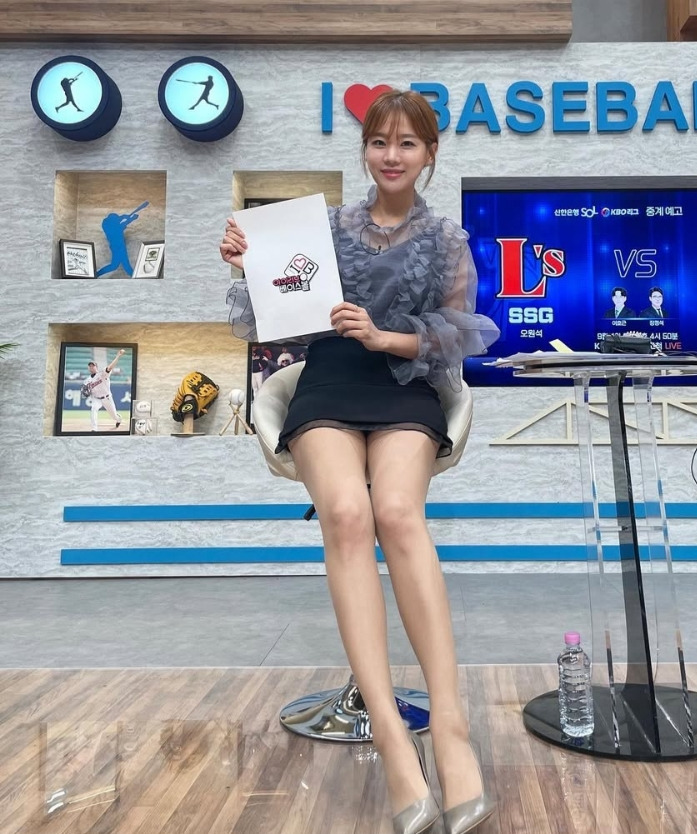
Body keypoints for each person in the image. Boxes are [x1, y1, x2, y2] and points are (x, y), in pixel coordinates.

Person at [220, 89, 500, 834]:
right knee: (346, 514)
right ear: (365, 150)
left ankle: (450, 728)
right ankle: (390, 733)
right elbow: (265, 320)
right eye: (380, 142)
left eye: (407, 143)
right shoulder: (321, 229)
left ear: (430, 153)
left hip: (405, 381)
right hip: (330, 380)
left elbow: (460, 334)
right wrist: (249, 267)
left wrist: (385, 337)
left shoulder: (446, 238)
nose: (391, 155)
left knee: (398, 512)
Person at [84, 350, 124, 431]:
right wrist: (86, 392)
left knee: (114, 416)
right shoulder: (87, 380)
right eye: (90, 366)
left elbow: (110, 367)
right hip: (96, 399)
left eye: (93, 366)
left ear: (96, 367)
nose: (91, 367)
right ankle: (94, 429)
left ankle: (118, 419)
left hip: (107, 398)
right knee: (94, 409)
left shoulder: (102, 373)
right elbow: (87, 391)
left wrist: (118, 357)